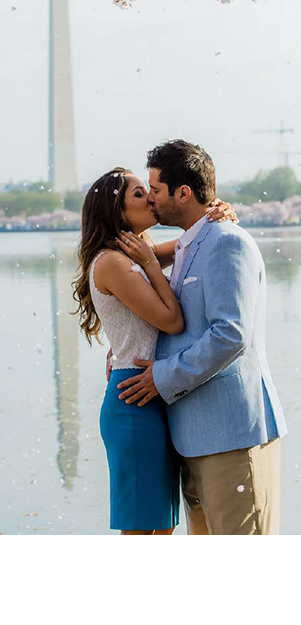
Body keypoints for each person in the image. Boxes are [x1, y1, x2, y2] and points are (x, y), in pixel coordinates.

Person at [114, 140, 287, 535]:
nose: (151, 199)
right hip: (191, 441)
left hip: (233, 438)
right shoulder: (191, 244)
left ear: (184, 193)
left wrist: (162, 376)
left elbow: (231, 334)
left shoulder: (227, 242)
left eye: (155, 189)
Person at [71, 164, 238, 536]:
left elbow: (188, 244)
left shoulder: (133, 251)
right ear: (117, 211)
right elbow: (172, 321)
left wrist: (216, 214)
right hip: (134, 400)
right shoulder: (115, 262)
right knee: (146, 530)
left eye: (148, 189)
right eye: (137, 193)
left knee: (160, 527)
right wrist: (149, 262)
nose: (149, 197)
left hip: (152, 392)